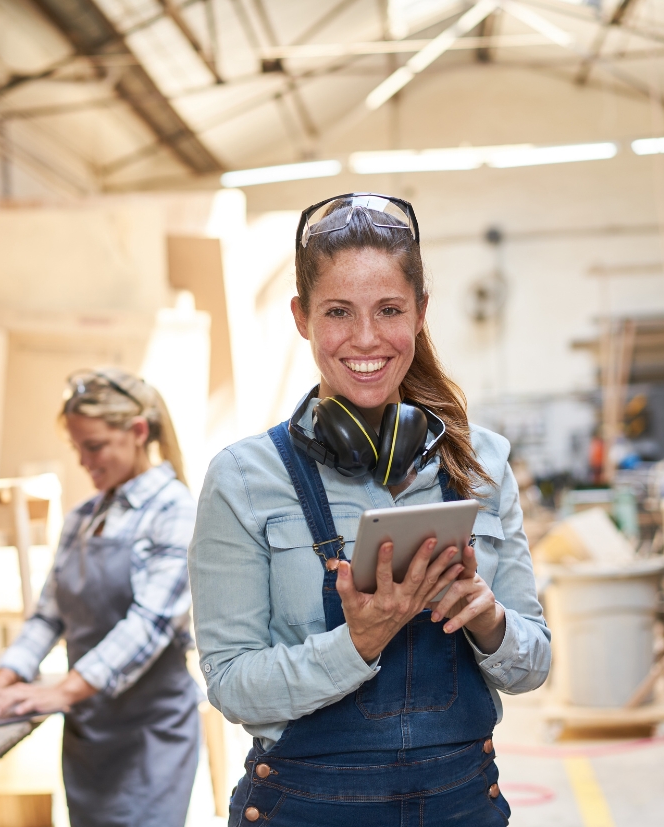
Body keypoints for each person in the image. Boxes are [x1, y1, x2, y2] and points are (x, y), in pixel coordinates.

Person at [188, 194, 551, 826]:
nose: (365, 339)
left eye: (389, 310)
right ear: (301, 317)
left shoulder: (481, 464)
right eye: (337, 312)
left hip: (461, 808)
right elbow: (230, 684)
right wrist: (356, 643)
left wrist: (488, 619)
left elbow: (535, 662)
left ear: (420, 315)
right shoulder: (245, 478)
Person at [0, 369, 200, 827]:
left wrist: (61, 690)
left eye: (93, 446)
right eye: (77, 447)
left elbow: (149, 625)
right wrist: (2, 679)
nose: (82, 461)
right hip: (88, 735)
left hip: (148, 738)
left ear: (138, 433)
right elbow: (46, 615)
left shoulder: (174, 512)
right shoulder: (82, 517)